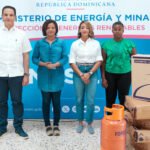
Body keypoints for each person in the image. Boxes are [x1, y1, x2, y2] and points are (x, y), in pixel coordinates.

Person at [32, 19, 68, 136]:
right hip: (44, 76)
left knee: (57, 102)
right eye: (48, 28)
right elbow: (34, 58)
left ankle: (56, 125)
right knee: (46, 101)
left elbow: (65, 58)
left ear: (56, 29)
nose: (50, 30)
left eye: (53, 27)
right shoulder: (39, 43)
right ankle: (47, 124)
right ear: (45, 29)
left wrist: (56, 64)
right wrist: (43, 64)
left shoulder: (61, 43)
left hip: (57, 76)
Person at [0, 6, 31, 139]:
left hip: (16, 74)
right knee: (1, 102)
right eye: (5, 14)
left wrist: (26, 74)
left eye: (11, 15)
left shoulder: (21, 34)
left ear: (15, 17)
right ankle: (2, 127)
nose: (8, 17)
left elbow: (25, 55)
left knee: (17, 102)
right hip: (0, 74)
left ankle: (18, 127)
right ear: (2, 16)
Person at [69, 21, 103, 134]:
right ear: (79, 30)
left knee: (91, 101)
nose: (84, 29)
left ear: (90, 30)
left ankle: (89, 123)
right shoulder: (74, 44)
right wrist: (81, 74)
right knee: (79, 99)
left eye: (87, 28)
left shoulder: (96, 43)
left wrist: (89, 73)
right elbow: (72, 62)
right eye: (82, 27)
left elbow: (99, 60)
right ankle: (80, 122)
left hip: (92, 72)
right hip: (78, 72)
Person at [101, 21, 136, 109]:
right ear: (112, 30)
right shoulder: (106, 44)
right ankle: (109, 119)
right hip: (110, 74)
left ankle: (123, 120)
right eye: (115, 29)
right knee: (110, 99)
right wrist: (103, 78)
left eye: (119, 29)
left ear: (123, 30)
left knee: (123, 99)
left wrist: (134, 76)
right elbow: (103, 62)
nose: (117, 31)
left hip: (125, 74)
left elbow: (135, 61)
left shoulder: (129, 44)